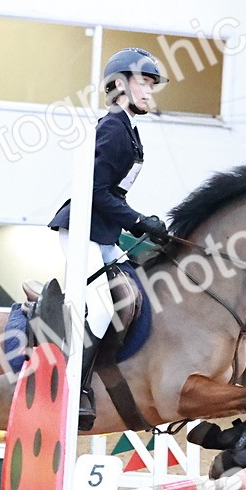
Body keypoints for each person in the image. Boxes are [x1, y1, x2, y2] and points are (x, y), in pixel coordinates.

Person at [48, 47, 169, 431]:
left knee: (137, 289)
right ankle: (74, 390)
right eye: (144, 83)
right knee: (100, 308)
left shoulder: (130, 131)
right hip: (82, 229)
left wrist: (143, 226)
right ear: (119, 85)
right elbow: (96, 190)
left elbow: (113, 193)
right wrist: (137, 221)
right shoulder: (113, 127)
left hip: (102, 232)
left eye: (152, 84)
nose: (150, 92)